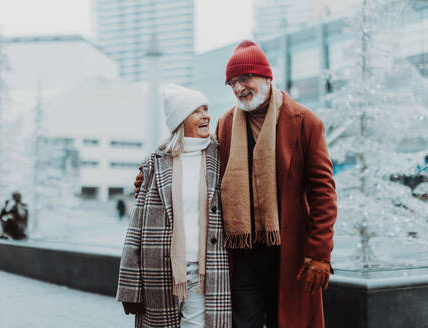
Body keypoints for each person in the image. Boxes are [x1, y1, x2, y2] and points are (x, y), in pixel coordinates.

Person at [134, 40, 337, 328]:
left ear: (266, 76)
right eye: (232, 83)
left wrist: (320, 254)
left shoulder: (306, 122)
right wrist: (150, 173)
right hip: (242, 256)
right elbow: (194, 157)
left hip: (289, 252)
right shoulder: (226, 123)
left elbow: (323, 193)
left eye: (245, 78)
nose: (239, 88)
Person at [117, 84, 231, 327]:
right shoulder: (155, 163)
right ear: (180, 119)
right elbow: (136, 228)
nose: (206, 116)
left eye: (206, 109)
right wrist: (129, 288)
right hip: (159, 270)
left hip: (206, 271)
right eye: (197, 111)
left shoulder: (221, 157)